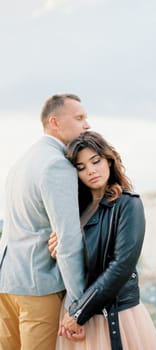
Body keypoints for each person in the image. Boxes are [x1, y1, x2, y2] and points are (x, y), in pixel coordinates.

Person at [49, 131, 156, 350]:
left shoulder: (128, 205)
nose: (90, 170)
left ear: (109, 160)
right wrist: (57, 249)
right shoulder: (75, 210)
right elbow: (77, 261)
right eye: (81, 168)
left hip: (114, 314)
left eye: (95, 161)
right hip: (77, 310)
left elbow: (121, 265)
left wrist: (79, 313)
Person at [0, 94, 90, 350]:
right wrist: (78, 304)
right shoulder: (56, 165)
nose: (87, 125)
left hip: (7, 282)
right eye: (80, 118)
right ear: (55, 122)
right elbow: (68, 239)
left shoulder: (21, 163)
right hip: (37, 286)